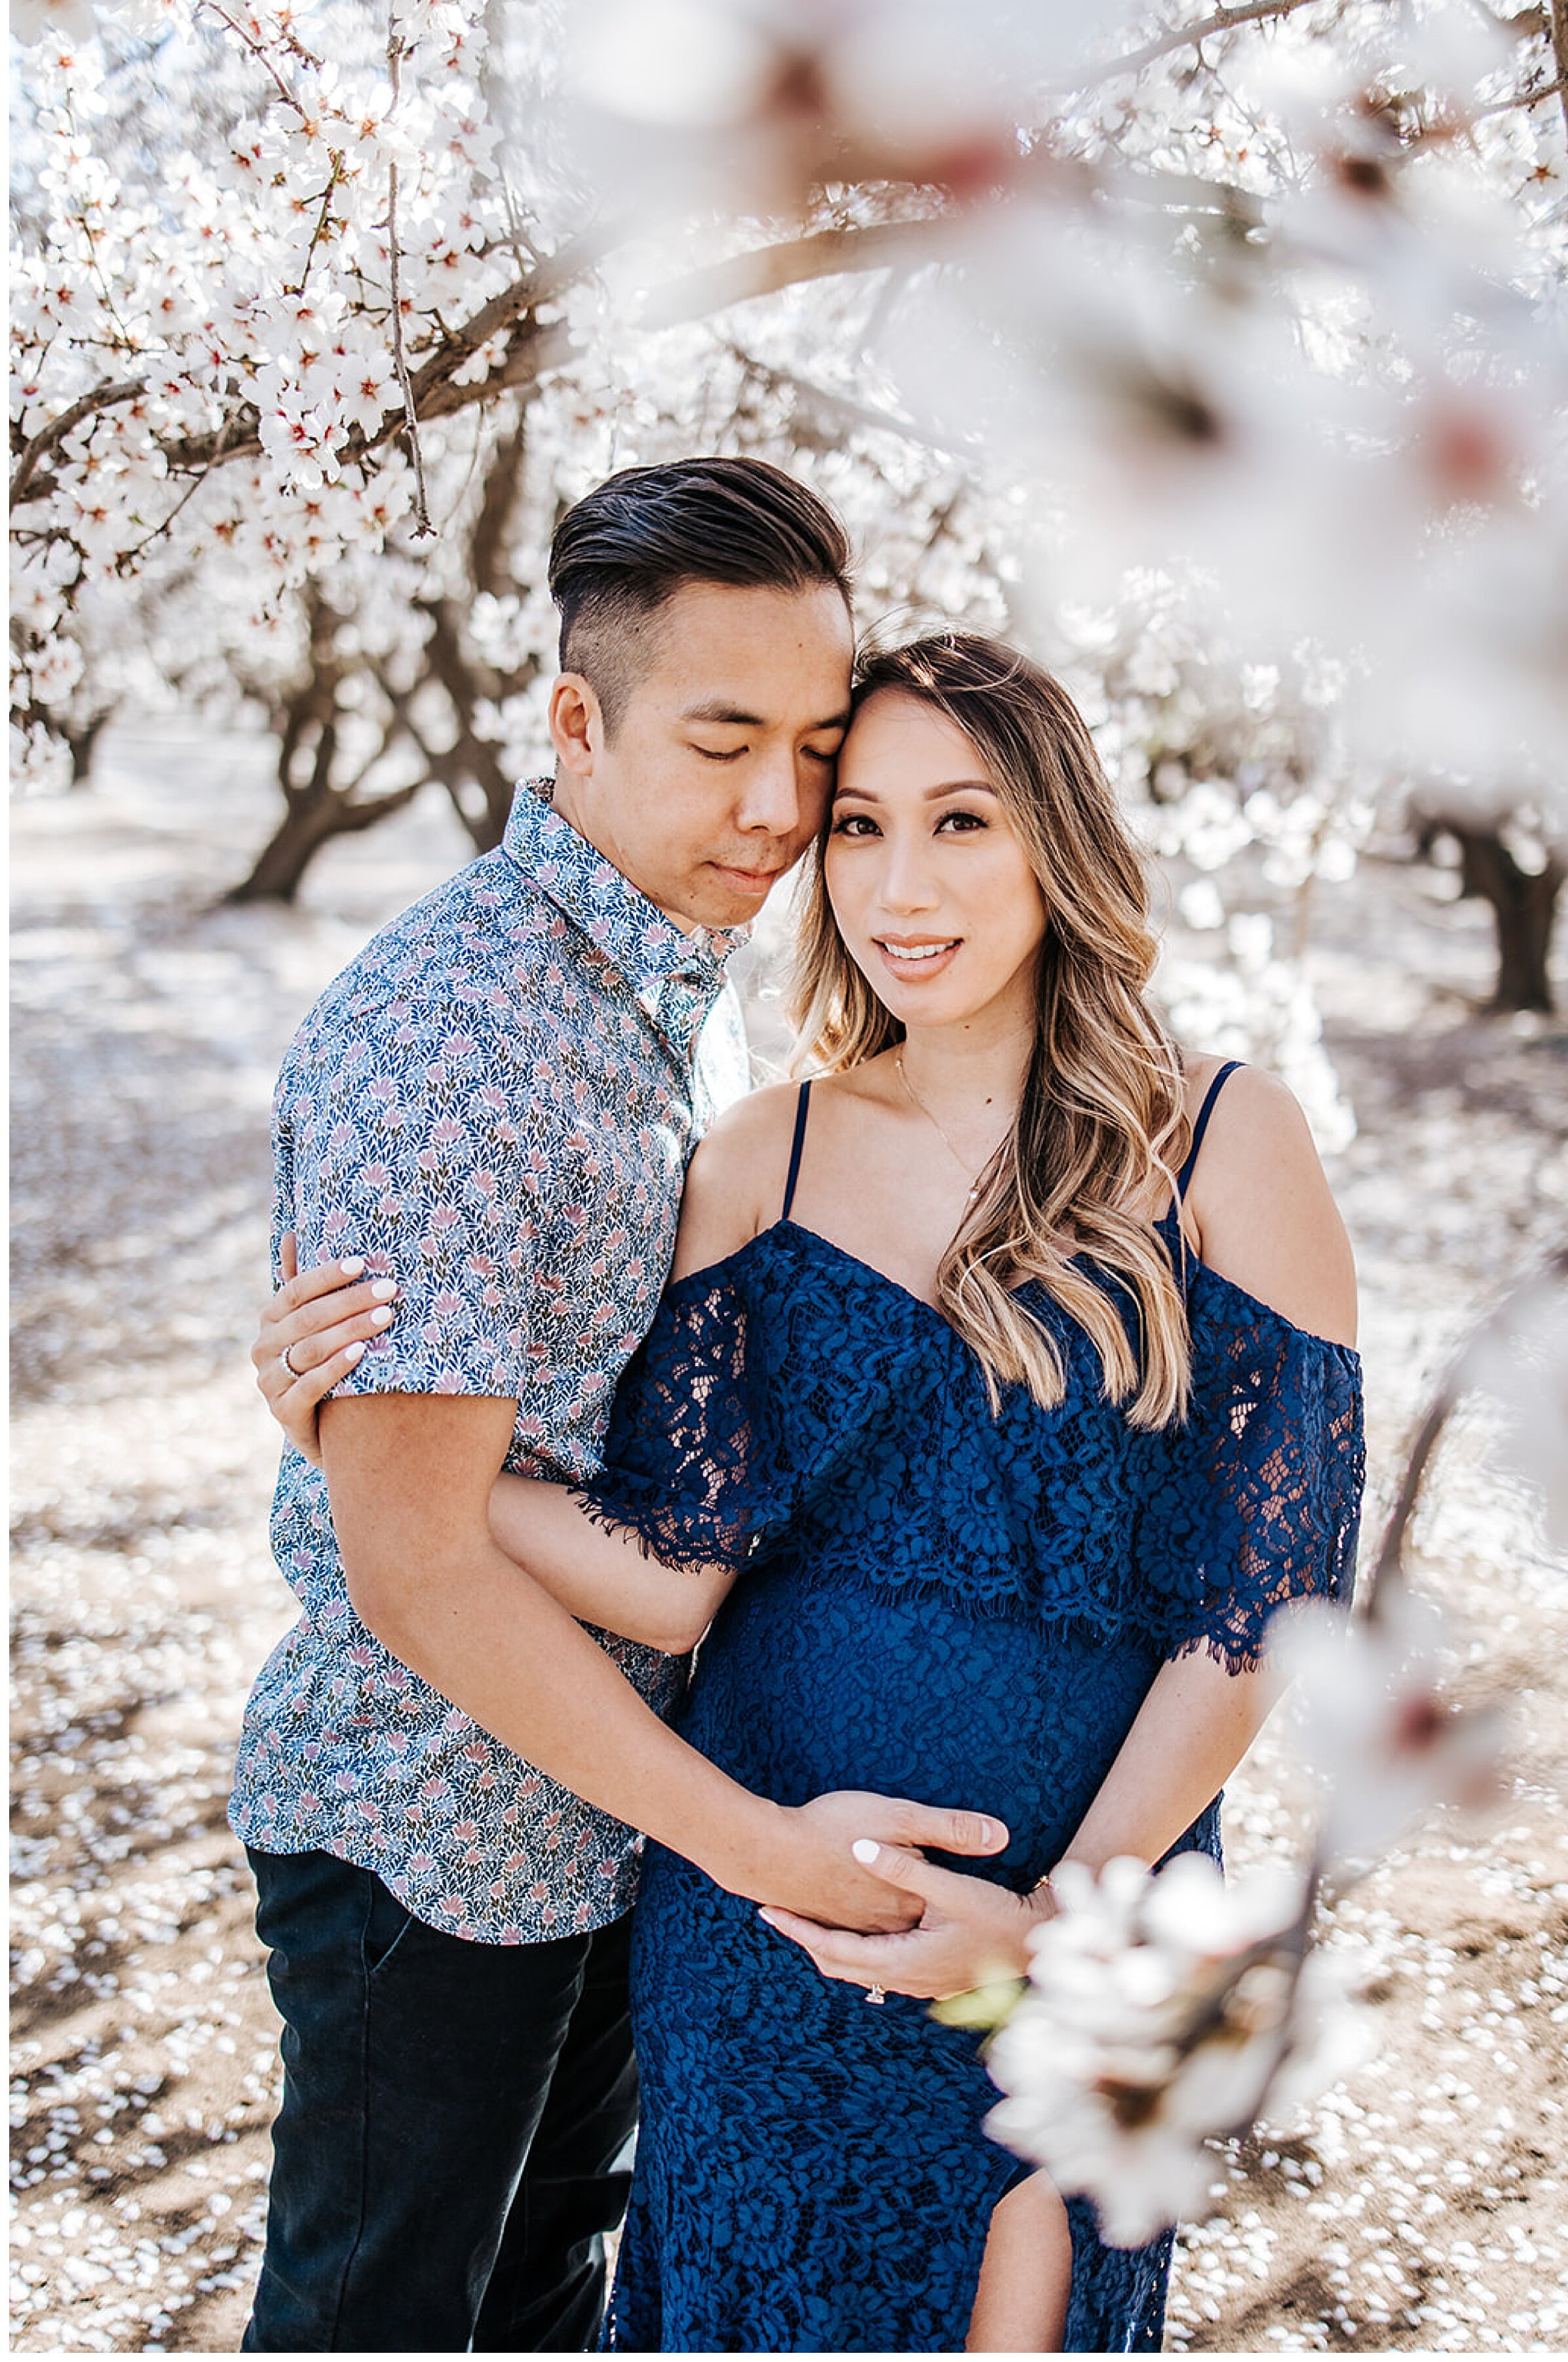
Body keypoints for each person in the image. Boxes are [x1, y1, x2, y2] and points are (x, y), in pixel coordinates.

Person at [261, 630, 1365, 2352]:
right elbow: (672, 1572)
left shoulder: (1225, 1138)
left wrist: (1051, 1927)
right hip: (757, 1910)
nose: (897, 886)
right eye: (856, 827)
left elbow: (1265, 1605)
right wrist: (372, 1431)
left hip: (1072, 1916)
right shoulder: (759, 1151)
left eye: (960, 825)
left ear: (1055, 840)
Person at [227, 463, 1008, 2355]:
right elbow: (412, 1567)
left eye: (814, 746)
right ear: (573, 723)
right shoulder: (464, 1037)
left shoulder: (686, 991)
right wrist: (756, 1845)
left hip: (601, 1806)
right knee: (376, 2321)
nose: (777, 806)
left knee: (541, 2301)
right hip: (435, 1825)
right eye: (722, 737)